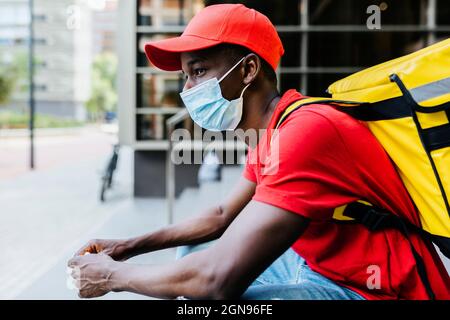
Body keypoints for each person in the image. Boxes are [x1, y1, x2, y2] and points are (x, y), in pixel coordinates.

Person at [68, 4, 449, 300]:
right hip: (323, 267)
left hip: (376, 289)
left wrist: (110, 276)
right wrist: (128, 247)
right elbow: (220, 216)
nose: (188, 89)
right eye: (186, 75)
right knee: (192, 257)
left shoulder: (305, 132)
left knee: (202, 290)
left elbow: (217, 279)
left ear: (248, 69)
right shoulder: (274, 127)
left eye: (198, 71)